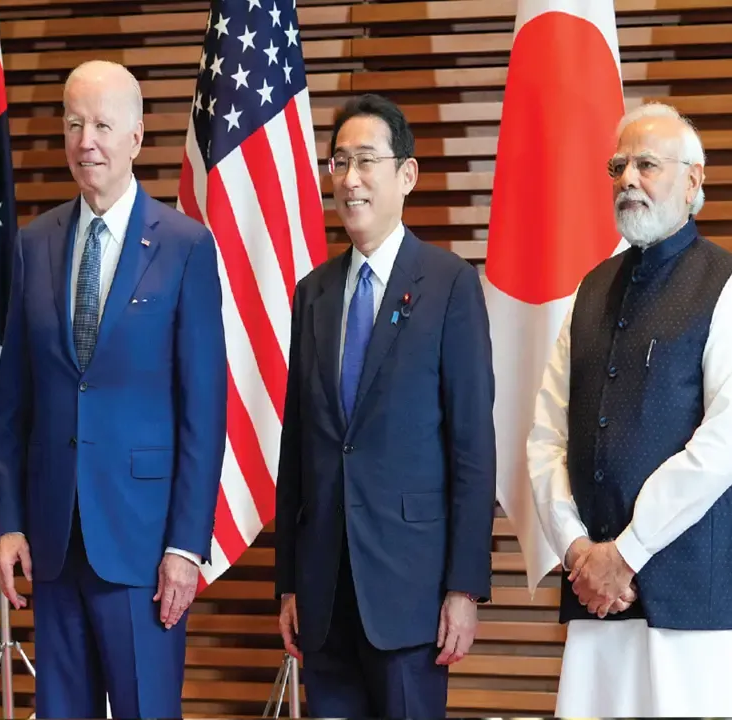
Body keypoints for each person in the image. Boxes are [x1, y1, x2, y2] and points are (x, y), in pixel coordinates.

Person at [0, 60, 227, 719]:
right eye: (72, 123)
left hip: (145, 548)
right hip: (53, 542)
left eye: (100, 124)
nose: (84, 140)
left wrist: (185, 545)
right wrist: (7, 522)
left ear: (135, 137)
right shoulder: (32, 245)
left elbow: (203, 413)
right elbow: (10, 406)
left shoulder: (183, 247)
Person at [274, 93, 497, 718]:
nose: (349, 179)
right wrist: (288, 581)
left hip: (412, 593)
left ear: (406, 174)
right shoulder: (313, 293)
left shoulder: (450, 284)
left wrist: (464, 587)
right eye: (338, 161)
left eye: (366, 160)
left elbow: (473, 448)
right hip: (323, 594)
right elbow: (299, 448)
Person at [528, 101, 732, 716]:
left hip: (688, 607)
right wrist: (578, 552)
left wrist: (627, 552)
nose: (628, 180)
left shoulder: (723, 281)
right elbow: (545, 436)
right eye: (618, 166)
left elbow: (723, 442)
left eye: (647, 164)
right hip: (597, 595)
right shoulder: (591, 289)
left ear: (693, 181)